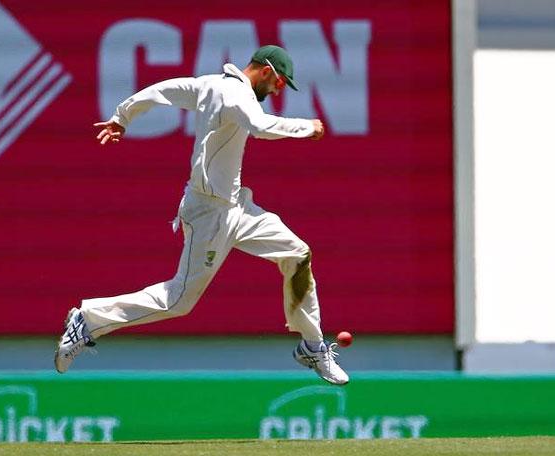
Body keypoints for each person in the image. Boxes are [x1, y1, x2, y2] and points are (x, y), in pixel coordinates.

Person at [54, 45, 349, 385]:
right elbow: (259, 126)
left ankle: (312, 346)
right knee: (179, 300)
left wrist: (123, 116)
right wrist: (309, 127)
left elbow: (160, 90)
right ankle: (88, 320)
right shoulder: (236, 95)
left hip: (237, 205)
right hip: (210, 213)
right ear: (266, 71)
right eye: (280, 82)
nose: (279, 90)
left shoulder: (210, 85)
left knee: (297, 254)